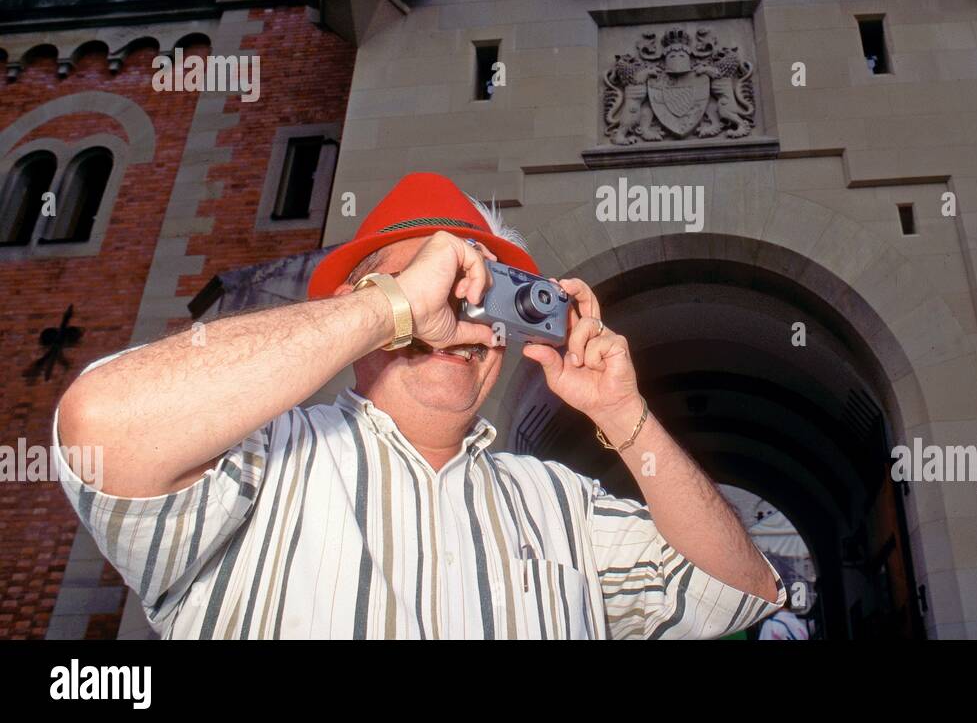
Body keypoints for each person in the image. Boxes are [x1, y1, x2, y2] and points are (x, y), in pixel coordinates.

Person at [54, 172, 785, 639]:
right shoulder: (262, 464)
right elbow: (104, 427)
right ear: (359, 307)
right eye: (431, 286)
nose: (455, 316)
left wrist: (627, 419)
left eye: (483, 294)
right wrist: (392, 310)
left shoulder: (560, 501)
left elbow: (740, 591)